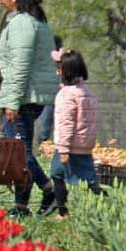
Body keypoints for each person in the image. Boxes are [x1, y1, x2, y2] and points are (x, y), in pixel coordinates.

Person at [0, 0, 59, 217]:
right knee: (20, 152)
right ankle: (23, 205)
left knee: (20, 153)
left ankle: (49, 191)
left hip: (22, 97)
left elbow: (20, 66)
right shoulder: (32, 21)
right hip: (26, 95)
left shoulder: (22, 24)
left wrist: (12, 102)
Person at [50, 49, 101, 219]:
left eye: (60, 69)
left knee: (57, 174)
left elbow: (66, 124)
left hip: (69, 145)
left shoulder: (66, 95)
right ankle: (101, 208)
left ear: (67, 71)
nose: (58, 72)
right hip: (84, 145)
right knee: (89, 179)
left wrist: (63, 149)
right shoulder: (87, 93)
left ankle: (63, 212)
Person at [37, 35, 64, 143]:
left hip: (48, 95)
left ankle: (43, 144)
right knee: (57, 124)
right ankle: (48, 145)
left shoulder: (44, 59)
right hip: (61, 95)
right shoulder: (65, 59)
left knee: (46, 124)